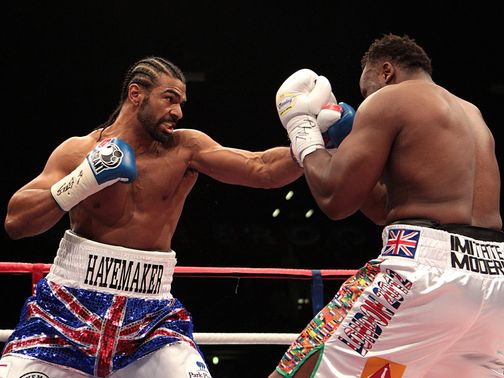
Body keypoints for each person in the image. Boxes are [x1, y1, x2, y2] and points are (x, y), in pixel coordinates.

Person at [0, 56, 307, 378]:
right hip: (66, 311)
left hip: (151, 319)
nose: (178, 112)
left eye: (181, 103)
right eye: (169, 99)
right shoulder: (78, 152)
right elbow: (16, 222)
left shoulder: (186, 148)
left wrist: (309, 140)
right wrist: (83, 180)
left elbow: (262, 169)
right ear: (136, 94)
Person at [269, 33, 504, 377]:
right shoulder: (472, 114)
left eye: (366, 91)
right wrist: (342, 148)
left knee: (297, 370)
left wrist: (303, 130)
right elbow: (382, 209)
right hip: (493, 281)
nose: (366, 102)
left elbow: (335, 200)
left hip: (420, 273)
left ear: (386, 71)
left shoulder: (389, 100)